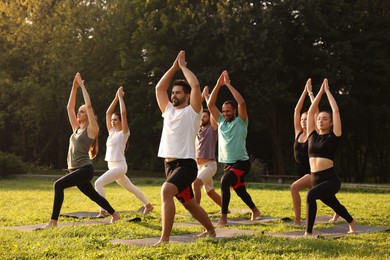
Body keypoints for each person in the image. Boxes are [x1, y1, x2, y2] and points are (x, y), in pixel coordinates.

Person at [42, 72, 120, 228]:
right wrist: (74, 87)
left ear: (89, 116)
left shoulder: (92, 130)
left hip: (84, 169)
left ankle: (53, 222)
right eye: (80, 111)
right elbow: (69, 108)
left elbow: (89, 106)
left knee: (58, 185)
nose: (79, 112)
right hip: (75, 170)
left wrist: (83, 86)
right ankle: (115, 214)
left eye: (82, 111)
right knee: (93, 195)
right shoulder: (76, 128)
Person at [154, 51, 216, 245]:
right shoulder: (168, 111)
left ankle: (164, 239)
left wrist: (183, 67)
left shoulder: (193, 113)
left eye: (178, 92)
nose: (173, 95)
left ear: (187, 95)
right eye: (172, 93)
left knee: (166, 191)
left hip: (186, 165)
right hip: (169, 165)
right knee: (189, 203)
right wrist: (173, 67)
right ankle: (211, 231)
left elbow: (196, 85)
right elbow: (159, 88)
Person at [207, 70, 260, 226]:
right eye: (223, 111)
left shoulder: (241, 122)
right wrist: (218, 84)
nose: (225, 113)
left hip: (242, 162)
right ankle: (255, 210)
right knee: (239, 190)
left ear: (234, 111)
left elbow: (242, 103)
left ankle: (223, 217)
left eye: (228, 111)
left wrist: (228, 85)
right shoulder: (221, 122)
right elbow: (210, 104)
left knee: (224, 182)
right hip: (228, 164)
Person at [305, 78, 356, 235]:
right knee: (334, 204)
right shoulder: (311, 135)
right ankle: (352, 222)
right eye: (319, 119)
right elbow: (312, 112)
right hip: (316, 179)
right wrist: (318, 93)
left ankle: (308, 232)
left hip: (330, 180)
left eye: (324, 119)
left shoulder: (334, 136)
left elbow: (336, 111)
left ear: (331, 123)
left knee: (310, 195)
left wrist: (327, 92)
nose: (320, 121)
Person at [94, 86, 153, 217]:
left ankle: (103, 210)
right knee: (130, 187)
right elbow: (107, 113)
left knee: (98, 183)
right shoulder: (112, 132)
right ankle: (148, 206)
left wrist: (121, 98)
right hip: (112, 165)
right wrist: (115, 97)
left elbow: (124, 113)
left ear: (120, 121)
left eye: (115, 120)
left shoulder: (124, 133)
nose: (112, 121)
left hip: (120, 166)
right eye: (112, 121)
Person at [192, 86, 222, 208]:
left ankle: (196, 209)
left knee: (195, 184)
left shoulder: (212, 128)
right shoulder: (196, 130)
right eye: (201, 117)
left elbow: (213, 112)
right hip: (199, 167)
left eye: (205, 117)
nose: (202, 118)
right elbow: (194, 110)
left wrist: (207, 97)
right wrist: (200, 98)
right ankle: (226, 209)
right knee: (209, 192)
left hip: (209, 165)